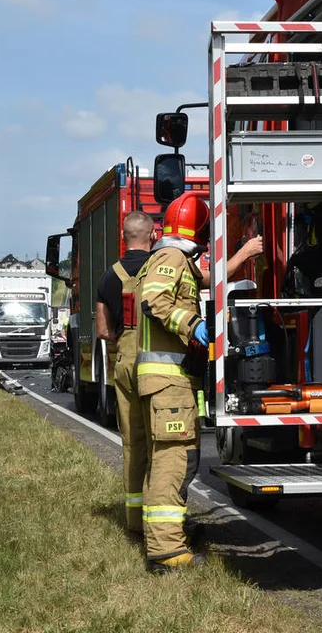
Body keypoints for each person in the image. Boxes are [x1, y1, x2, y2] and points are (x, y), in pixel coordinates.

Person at [133, 192, 213, 573]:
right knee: (173, 461)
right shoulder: (171, 257)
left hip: (171, 383)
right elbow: (154, 300)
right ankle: (166, 550)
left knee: (173, 460)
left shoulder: (176, 258)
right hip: (168, 384)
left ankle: (165, 537)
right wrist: (193, 324)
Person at [95, 210, 155, 536]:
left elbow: (103, 331)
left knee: (133, 443)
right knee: (162, 443)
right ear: (153, 235)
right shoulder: (162, 268)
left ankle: (134, 522)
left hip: (124, 364)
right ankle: (164, 524)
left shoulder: (108, 276)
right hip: (159, 363)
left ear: (123, 236)